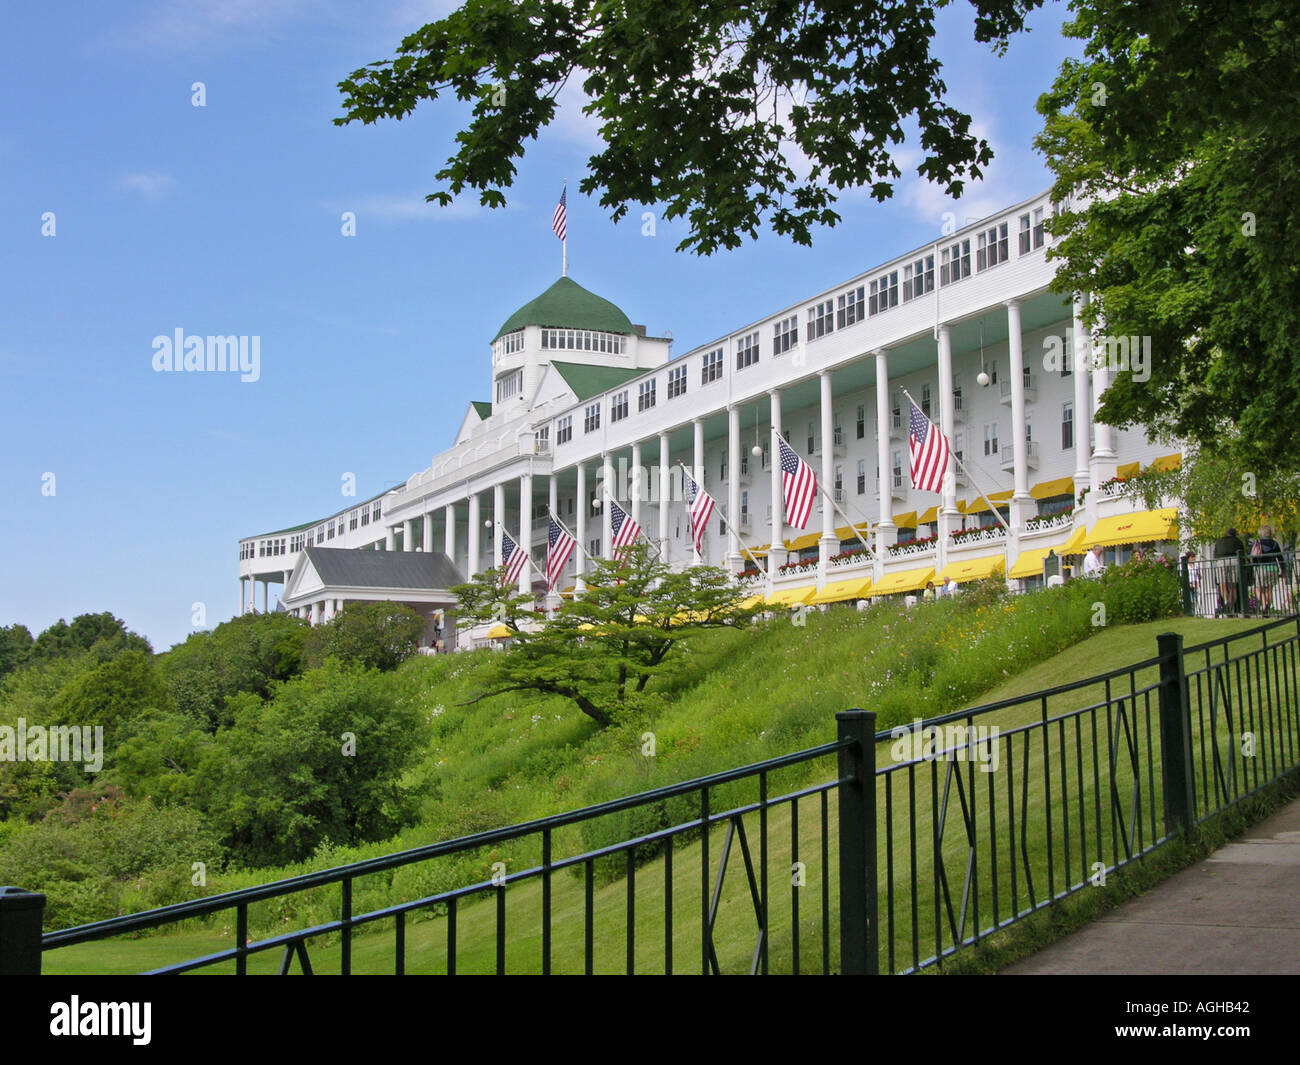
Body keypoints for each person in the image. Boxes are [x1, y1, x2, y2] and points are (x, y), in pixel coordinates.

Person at [1251, 524, 1284, 614]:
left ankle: (1264, 604)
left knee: (1258, 588)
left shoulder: (1258, 542)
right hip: (1273, 568)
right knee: (1269, 589)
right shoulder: (1275, 543)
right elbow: (1280, 557)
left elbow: (1253, 557)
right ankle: (1268, 606)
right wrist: (1282, 569)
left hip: (1262, 568)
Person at [1213, 527, 1246, 614]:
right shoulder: (1238, 541)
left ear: (1227, 533)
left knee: (1222, 583)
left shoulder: (1220, 541)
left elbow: (1215, 553)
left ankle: (1226, 601)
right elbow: (1242, 553)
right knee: (1233, 585)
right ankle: (1231, 607)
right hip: (1234, 560)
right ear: (1235, 534)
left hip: (1221, 561)